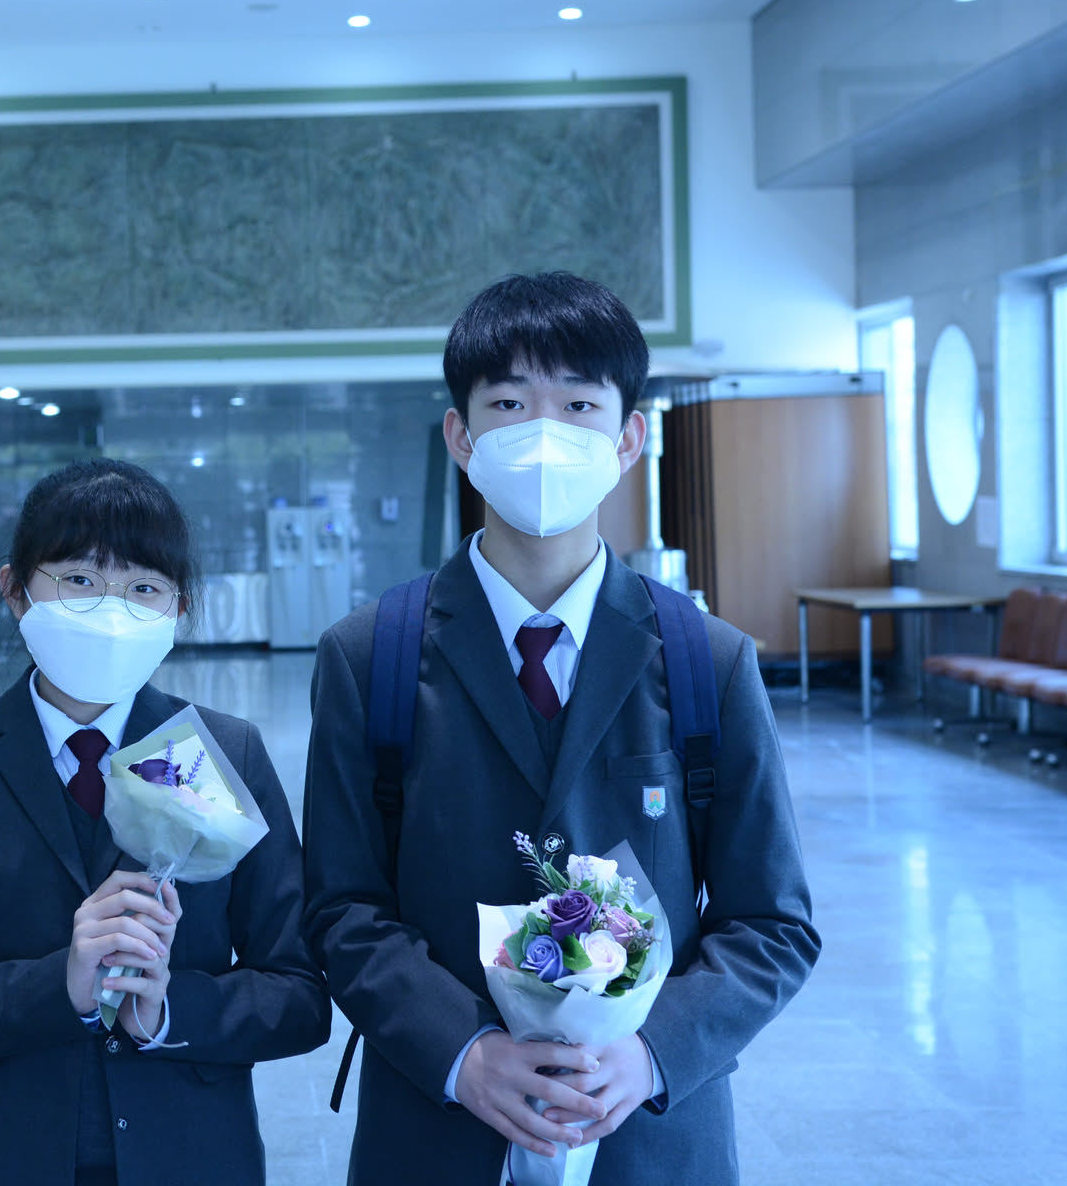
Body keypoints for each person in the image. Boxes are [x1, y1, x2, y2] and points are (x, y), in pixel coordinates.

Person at [303, 272, 820, 1184]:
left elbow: (771, 921)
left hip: (649, 1135)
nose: (544, 433)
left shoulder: (706, 660)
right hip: (436, 1126)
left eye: (579, 404)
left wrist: (652, 1054)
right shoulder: (370, 656)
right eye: (509, 404)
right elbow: (341, 907)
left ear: (628, 439)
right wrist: (464, 1051)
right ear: (460, 436)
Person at [0, 458, 330, 1186]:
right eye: (80, 579)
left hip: (187, 1156)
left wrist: (169, 1009)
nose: (111, 611)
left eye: (144, 588)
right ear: (15, 590)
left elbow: (301, 997)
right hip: (0, 1155)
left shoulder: (222, 752)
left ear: (178, 610)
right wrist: (59, 985)